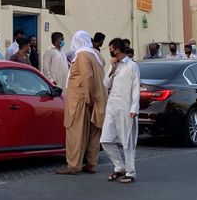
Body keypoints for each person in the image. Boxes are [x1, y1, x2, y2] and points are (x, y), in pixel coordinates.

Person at [56, 31, 107, 175]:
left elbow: (87, 77)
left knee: (75, 131)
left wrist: (87, 97)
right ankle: (91, 163)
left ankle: (73, 165)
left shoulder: (83, 55)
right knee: (93, 133)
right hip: (97, 99)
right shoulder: (97, 55)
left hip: (80, 99)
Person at [101, 39, 140, 184]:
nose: (110, 51)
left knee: (127, 141)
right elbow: (106, 84)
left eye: (111, 49)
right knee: (105, 139)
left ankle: (131, 172)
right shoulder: (114, 66)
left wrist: (134, 108)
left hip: (126, 107)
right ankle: (119, 167)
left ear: (117, 49)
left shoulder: (132, 66)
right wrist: (112, 69)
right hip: (112, 106)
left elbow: (136, 88)